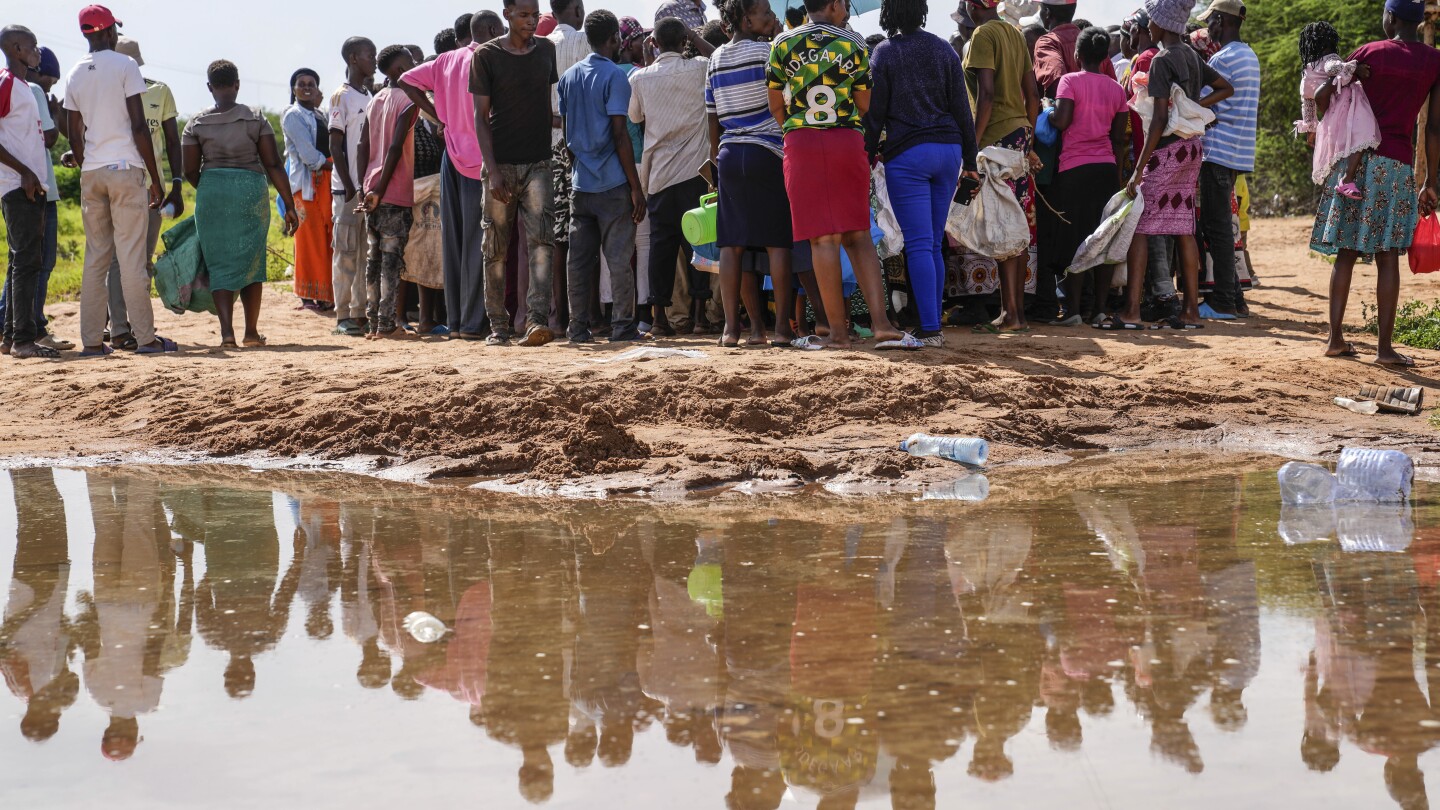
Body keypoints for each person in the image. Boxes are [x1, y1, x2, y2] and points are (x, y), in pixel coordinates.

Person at [768, 0, 916, 349]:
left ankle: (836, 332)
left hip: (801, 143)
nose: (847, 10)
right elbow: (864, 104)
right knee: (859, 234)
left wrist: (798, 131)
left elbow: (776, 104)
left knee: (822, 239)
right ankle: (881, 325)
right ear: (833, 4)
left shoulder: (782, 44)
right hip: (847, 141)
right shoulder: (854, 43)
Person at [1312, 0, 1440, 367]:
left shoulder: (1369, 53)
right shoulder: (1433, 61)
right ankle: (1384, 350)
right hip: (1397, 166)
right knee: (1387, 257)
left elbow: (1327, 102)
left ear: (1391, 18)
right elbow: (1433, 127)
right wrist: (1431, 179)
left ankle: (1335, 338)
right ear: (1417, 22)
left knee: (1346, 252)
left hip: (1356, 162)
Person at [1106, 0, 1232, 331]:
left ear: (1162, 25)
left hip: (1166, 151)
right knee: (1184, 228)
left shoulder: (1162, 60)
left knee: (1140, 226)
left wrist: (1138, 168)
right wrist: (1192, 109)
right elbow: (1224, 88)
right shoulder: (1191, 54)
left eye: (1152, 24)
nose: (1149, 29)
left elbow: (1159, 119)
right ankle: (1190, 311)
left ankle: (1131, 310)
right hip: (1191, 149)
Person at [61, 5, 172, 357]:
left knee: (96, 259)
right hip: (125, 169)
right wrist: (155, 178)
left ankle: (92, 342)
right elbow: (139, 126)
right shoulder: (126, 66)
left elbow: (73, 134)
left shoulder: (75, 73)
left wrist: (85, 164)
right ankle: (145, 339)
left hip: (92, 173)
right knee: (131, 259)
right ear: (109, 32)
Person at [867, 0, 979, 347]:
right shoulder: (944, 48)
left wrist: (866, 154)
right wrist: (971, 163)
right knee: (932, 243)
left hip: (908, 156)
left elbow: (875, 114)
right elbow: (962, 107)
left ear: (888, 14)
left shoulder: (883, 53)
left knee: (917, 245)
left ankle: (930, 329)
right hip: (947, 153)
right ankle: (933, 326)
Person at [181, 60, 300, 348]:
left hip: (213, 192)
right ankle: (251, 332)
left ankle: (226, 334)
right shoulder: (255, 118)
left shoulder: (196, 123)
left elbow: (188, 171)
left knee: (219, 262)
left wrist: (211, 188)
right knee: (252, 260)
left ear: (210, 87)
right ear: (237, 84)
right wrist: (289, 204)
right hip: (250, 192)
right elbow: (272, 163)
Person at [401, 12, 505, 339]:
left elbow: (406, 80)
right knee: (478, 241)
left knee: (454, 239)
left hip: (451, 154)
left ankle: (458, 323)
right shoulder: (490, 57)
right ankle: (474, 324)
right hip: (480, 157)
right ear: (491, 30)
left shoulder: (445, 59)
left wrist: (437, 115)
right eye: (501, 30)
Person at [708, 0, 801, 347]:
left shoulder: (716, 59)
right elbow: (787, 99)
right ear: (746, 19)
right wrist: (778, 38)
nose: (772, 16)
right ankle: (781, 330)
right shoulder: (769, 52)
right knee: (777, 243)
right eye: (764, 11)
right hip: (767, 153)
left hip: (730, 155)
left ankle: (732, 329)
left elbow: (712, 117)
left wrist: (716, 160)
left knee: (731, 246)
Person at [472, 0, 561, 346]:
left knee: (542, 243)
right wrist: (492, 170)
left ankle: (537, 321)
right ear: (506, 14)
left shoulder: (547, 51)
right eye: (524, 15)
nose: (531, 21)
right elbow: (480, 118)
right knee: (494, 247)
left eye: (535, 15)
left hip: (539, 162)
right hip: (501, 165)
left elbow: (540, 105)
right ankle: (498, 326)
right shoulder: (487, 56)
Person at [558, 10, 646, 343]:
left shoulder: (568, 77)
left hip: (581, 185)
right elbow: (620, 135)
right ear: (615, 40)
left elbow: (566, 134)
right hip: (612, 185)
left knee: (578, 262)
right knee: (619, 259)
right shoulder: (615, 77)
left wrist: (576, 170)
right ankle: (623, 326)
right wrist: (635, 188)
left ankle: (577, 328)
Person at [630, 18, 714, 337]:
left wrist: (651, 62)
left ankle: (660, 319)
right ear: (684, 42)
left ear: (655, 43)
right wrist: (693, 34)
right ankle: (699, 317)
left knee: (661, 247)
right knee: (699, 245)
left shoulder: (640, 78)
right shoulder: (700, 67)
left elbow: (636, 116)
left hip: (660, 177)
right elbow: (719, 55)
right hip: (695, 172)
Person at [962, 0, 1040, 333]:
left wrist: (974, 145)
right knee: (1018, 222)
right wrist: (1030, 139)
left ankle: (1010, 313)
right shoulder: (1013, 33)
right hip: (1019, 134)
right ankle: (1016, 312)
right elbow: (1033, 95)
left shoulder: (982, 34)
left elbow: (987, 94)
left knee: (1004, 223)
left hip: (995, 140)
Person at [103, 36, 183, 352]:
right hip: (114, 186)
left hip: (153, 189)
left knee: (142, 261)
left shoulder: (159, 91)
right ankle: (120, 329)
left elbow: (173, 141)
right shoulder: (101, 93)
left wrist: (176, 185)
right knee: (115, 260)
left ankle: (140, 326)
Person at [1049, 27, 1129, 325]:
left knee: (1076, 239)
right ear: (1105, 56)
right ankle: (1098, 309)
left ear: (1077, 55)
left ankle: (1072, 311)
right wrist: (1118, 178)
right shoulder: (1116, 89)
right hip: (1106, 171)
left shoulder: (1069, 81)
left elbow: (1062, 120)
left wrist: (1048, 115)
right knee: (1102, 239)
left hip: (1073, 170)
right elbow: (1119, 139)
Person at [0, 39, 69, 355]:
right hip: (19, 185)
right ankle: (25, 339)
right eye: (32, 47)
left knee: (22, 259)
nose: (37, 52)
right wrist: (26, 173)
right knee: (28, 261)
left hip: (29, 185)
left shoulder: (24, 89)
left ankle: (13, 337)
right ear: (16, 49)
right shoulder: (8, 83)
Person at [1196, 0, 1259, 320]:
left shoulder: (1222, 59)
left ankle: (1222, 301)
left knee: (1216, 226)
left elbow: (1202, 107)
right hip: (1237, 153)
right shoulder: (1249, 56)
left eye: (1211, 21)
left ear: (1220, 21)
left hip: (1217, 152)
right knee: (1223, 226)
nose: (1208, 28)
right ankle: (1235, 297)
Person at [356, 45, 420, 339]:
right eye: (411, 62)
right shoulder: (408, 99)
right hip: (391, 191)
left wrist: (363, 187)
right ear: (398, 70)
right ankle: (387, 325)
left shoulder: (376, 100)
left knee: (374, 259)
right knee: (391, 260)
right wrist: (381, 189)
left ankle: (372, 324)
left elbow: (362, 146)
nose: (416, 64)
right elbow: (395, 147)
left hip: (370, 190)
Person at [1295, 23, 1379, 201]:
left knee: (1339, 148)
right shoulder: (1330, 58)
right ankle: (1347, 179)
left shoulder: (1307, 71)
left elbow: (1307, 101)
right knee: (1364, 134)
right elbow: (1333, 68)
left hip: (1330, 116)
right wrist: (1355, 68)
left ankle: (1339, 183)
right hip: (1347, 105)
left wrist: (1310, 129)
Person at [329, 37, 376, 337]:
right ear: (353, 59)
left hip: (367, 188)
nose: (373, 59)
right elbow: (335, 144)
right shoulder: (340, 97)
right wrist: (348, 185)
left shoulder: (369, 95)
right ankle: (342, 314)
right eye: (369, 54)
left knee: (364, 253)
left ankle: (360, 312)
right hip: (347, 190)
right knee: (345, 251)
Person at [548, 0, 591, 331]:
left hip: (546, 149)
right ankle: (584, 315)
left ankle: (558, 316)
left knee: (555, 235)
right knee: (582, 231)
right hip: (579, 147)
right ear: (576, 9)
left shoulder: (541, 45)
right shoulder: (583, 40)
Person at [282, 68, 335, 311]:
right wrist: (339, 167)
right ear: (293, 89)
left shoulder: (320, 115)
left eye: (311, 83)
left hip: (326, 183)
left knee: (327, 239)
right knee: (309, 240)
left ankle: (326, 294)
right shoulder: (293, 116)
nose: (306, 87)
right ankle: (307, 294)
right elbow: (309, 157)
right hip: (307, 186)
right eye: (301, 83)